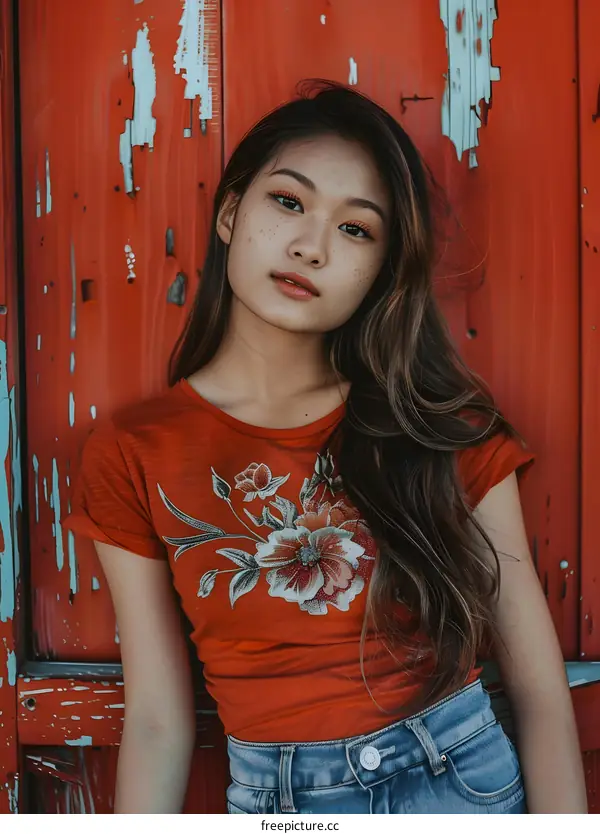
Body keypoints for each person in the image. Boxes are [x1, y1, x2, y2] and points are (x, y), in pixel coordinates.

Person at [63, 81, 587, 814]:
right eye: (288, 201)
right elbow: (156, 721)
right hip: (280, 804)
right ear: (229, 213)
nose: (311, 246)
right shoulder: (132, 451)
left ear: (382, 268)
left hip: (457, 784)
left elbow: (538, 690)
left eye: (356, 229)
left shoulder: (436, 427)